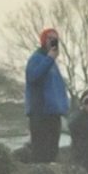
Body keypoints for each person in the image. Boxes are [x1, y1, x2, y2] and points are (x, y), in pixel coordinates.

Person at [24, 27, 70, 163]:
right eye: (50, 38)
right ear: (44, 40)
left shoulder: (53, 64)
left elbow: (58, 88)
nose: (53, 41)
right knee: (41, 150)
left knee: (52, 150)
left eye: (56, 39)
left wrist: (64, 107)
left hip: (54, 113)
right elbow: (33, 77)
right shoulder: (37, 58)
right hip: (40, 111)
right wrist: (49, 59)